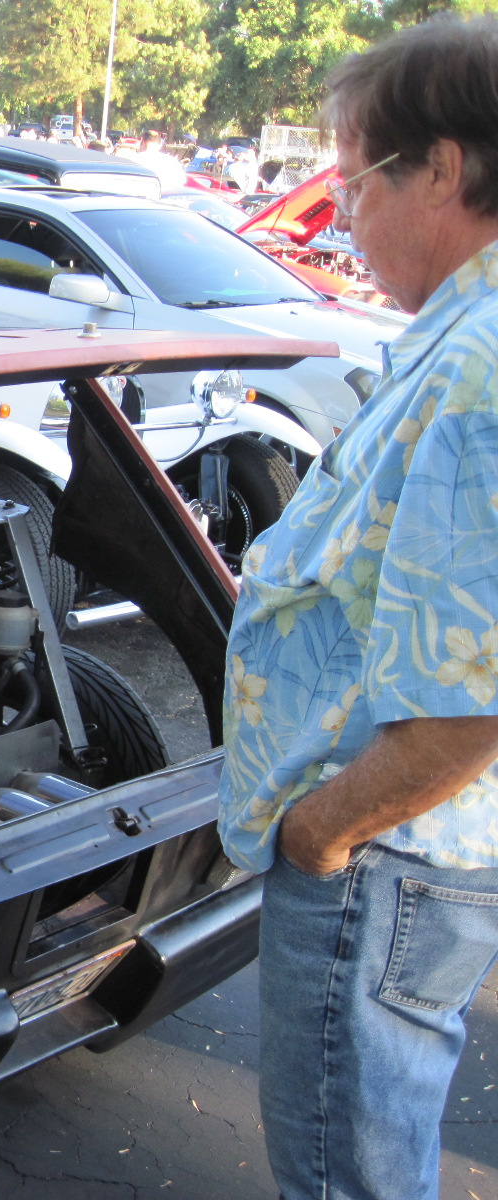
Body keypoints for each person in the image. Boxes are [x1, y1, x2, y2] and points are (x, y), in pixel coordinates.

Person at [217, 15, 498, 1200]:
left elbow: (473, 698)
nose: (339, 212)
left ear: (441, 169)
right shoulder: (460, 338)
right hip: (404, 857)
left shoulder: (480, 369)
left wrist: (322, 832)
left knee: (346, 1182)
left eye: (353, 176)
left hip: (378, 863)